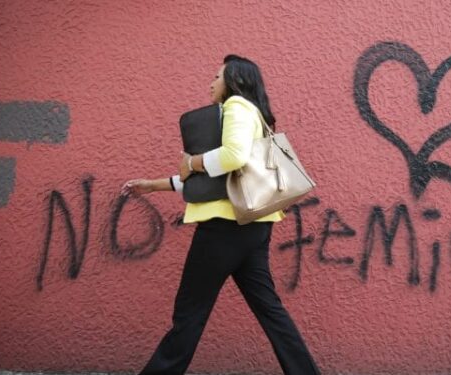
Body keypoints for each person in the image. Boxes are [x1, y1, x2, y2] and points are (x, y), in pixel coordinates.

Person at [123, 55, 321, 375]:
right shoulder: (253, 113)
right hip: (252, 226)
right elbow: (217, 183)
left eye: (217, 77)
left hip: (224, 229)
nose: (211, 83)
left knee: (189, 313)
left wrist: (192, 162)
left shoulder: (236, 107)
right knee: (270, 310)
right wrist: (154, 186)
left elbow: (233, 157)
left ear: (234, 82)